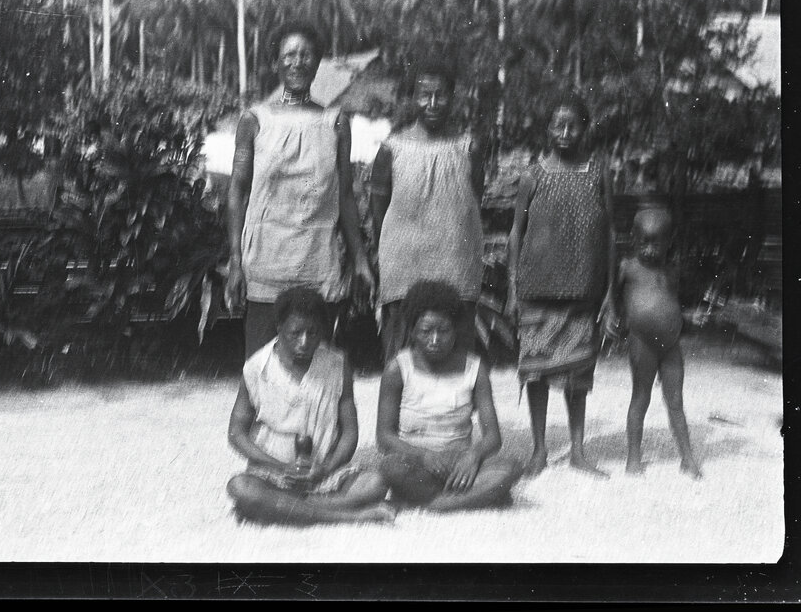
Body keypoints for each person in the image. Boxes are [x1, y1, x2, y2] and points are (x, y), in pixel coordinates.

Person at [225, 21, 375, 359]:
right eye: (289, 55)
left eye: (306, 55)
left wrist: (360, 259)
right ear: (275, 62)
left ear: (318, 62)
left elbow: (345, 196)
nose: (297, 62)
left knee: (317, 366)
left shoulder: (335, 122)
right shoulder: (254, 120)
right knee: (261, 367)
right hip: (265, 263)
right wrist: (235, 261)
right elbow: (237, 191)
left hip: (317, 263)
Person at [504, 92, 619, 478]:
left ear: (585, 129)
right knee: (536, 373)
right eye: (558, 125)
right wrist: (512, 289)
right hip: (536, 291)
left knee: (578, 375)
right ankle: (539, 450)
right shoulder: (533, 176)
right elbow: (516, 232)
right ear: (548, 129)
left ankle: (578, 450)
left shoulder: (598, 173)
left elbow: (610, 232)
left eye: (573, 126)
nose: (565, 133)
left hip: (583, 292)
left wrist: (610, 293)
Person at [226, 287, 394, 524]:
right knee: (240, 486)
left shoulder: (337, 365)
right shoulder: (257, 368)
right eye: (295, 333)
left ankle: (279, 508)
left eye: (313, 333)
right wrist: (279, 467)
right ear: (279, 328)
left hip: (324, 473)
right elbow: (236, 434)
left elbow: (349, 432)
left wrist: (325, 468)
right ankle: (348, 515)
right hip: (272, 475)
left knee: (375, 483)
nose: (304, 342)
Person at [369, 60, 486, 364]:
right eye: (424, 95)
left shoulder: (467, 148)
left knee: (457, 357)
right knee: (402, 356)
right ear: (413, 97)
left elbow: (472, 202)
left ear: (452, 97)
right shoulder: (392, 149)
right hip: (404, 271)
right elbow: (379, 211)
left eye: (440, 95)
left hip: (455, 268)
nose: (432, 103)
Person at [376, 281, 522, 511]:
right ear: (412, 331)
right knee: (390, 468)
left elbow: (493, 437)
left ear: (455, 330)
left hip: (460, 464)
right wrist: (424, 456)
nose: (435, 339)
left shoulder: (475, 369)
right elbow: (384, 437)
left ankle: (436, 502)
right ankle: (470, 497)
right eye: (426, 331)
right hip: (416, 463)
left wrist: (473, 456)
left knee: (511, 467)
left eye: (443, 331)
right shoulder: (397, 369)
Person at [617, 205, 702, 479]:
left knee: (675, 400)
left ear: (669, 242)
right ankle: (633, 458)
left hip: (671, 344)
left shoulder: (672, 271)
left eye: (657, 243)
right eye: (644, 242)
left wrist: (689, 317)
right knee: (641, 397)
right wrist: (612, 318)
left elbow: (673, 303)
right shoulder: (628, 268)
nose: (650, 249)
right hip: (642, 343)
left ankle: (687, 458)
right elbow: (611, 299)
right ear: (634, 239)